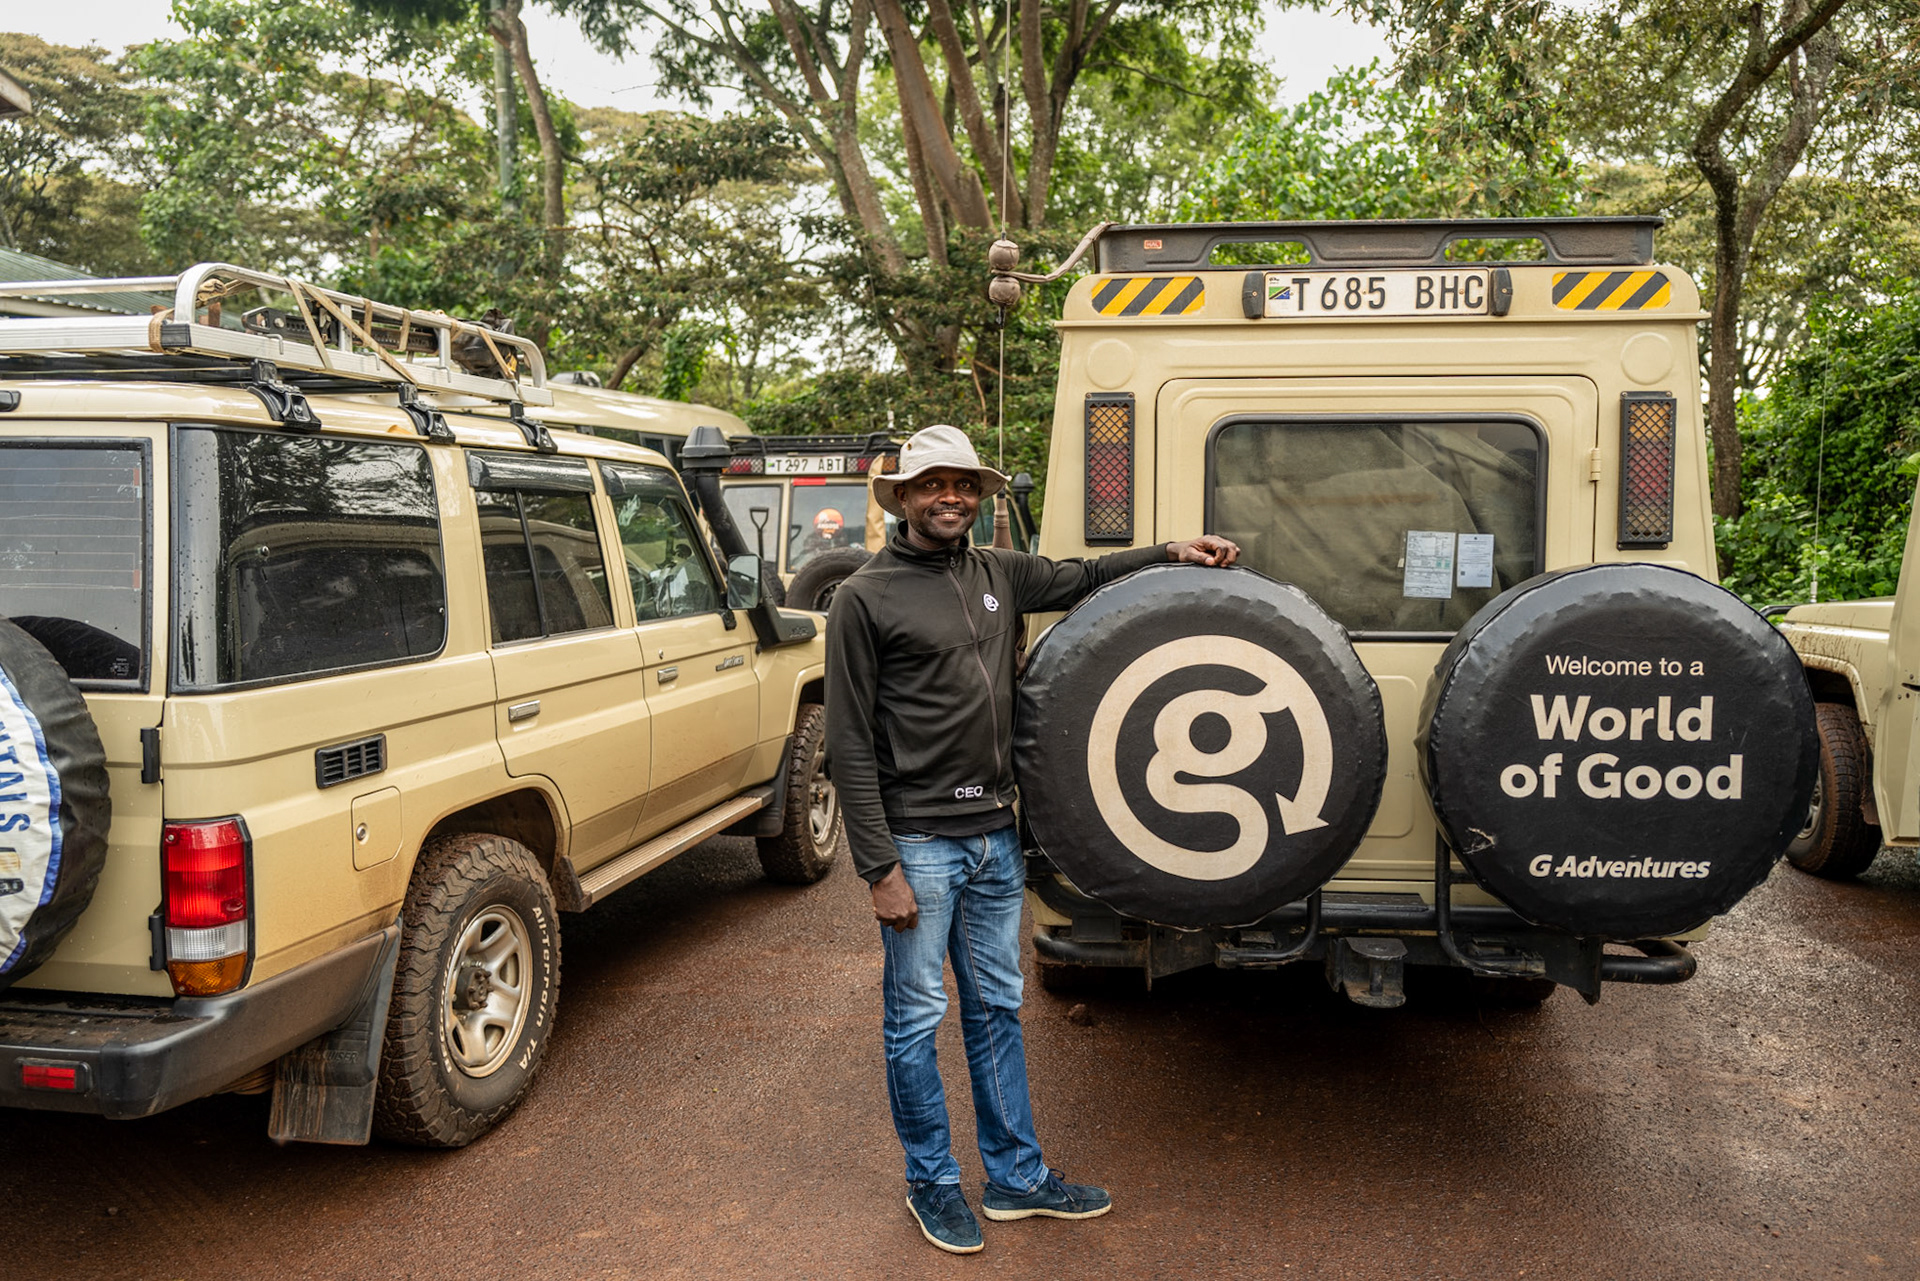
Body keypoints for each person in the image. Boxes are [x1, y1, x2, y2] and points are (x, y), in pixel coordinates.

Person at [824, 424, 1239, 1255]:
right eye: (934, 484)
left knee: (997, 1009)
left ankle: (1016, 1177)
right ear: (904, 497)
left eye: (965, 485)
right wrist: (878, 866)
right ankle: (932, 1182)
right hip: (921, 843)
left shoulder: (997, 572)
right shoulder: (863, 598)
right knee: (916, 1017)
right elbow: (847, 740)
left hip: (992, 838)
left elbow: (1084, 575)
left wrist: (1172, 549)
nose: (952, 497)